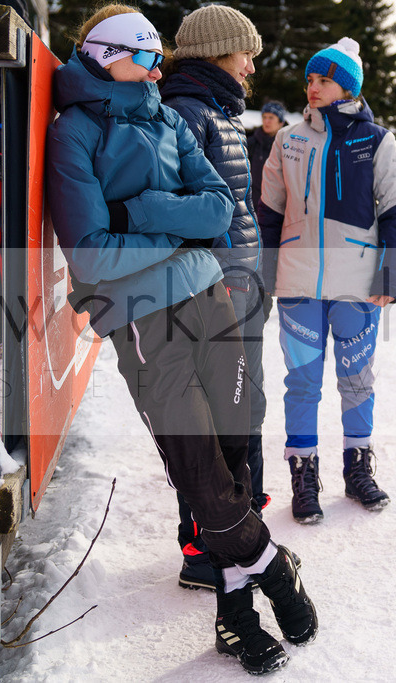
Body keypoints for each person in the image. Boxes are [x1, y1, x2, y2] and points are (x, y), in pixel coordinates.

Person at [45, 5, 315, 674]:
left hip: (211, 295)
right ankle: (270, 563)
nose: (157, 69)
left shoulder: (165, 117)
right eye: (145, 56)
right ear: (107, 56)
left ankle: (235, 612)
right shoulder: (74, 132)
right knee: (197, 465)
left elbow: (218, 208)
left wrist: (140, 214)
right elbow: (91, 252)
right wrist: (180, 235)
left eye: (158, 57)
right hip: (143, 314)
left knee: (232, 452)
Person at [258, 37, 396, 525]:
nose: (314, 87)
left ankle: (357, 468)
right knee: (302, 383)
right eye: (310, 78)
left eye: (324, 79)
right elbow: (268, 213)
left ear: (348, 87)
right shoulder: (288, 140)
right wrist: (265, 273)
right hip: (298, 282)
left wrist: (390, 274)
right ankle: (303, 476)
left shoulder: (378, 141)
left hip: (357, 284)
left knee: (357, 380)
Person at [160, 2, 268, 594]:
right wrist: (217, 276)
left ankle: (240, 529)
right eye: (246, 52)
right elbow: (189, 207)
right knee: (214, 417)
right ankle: (205, 548)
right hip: (214, 287)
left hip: (240, 282)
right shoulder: (187, 110)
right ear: (218, 51)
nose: (251, 65)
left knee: (243, 408)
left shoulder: (220, 111)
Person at [248, 100, 288, 211]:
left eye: (271, 118)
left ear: (281, 122)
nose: (267, 121)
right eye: (264, 117)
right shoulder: (251, 143)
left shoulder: (288, 145)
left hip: (277, 207)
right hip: (252, 205)